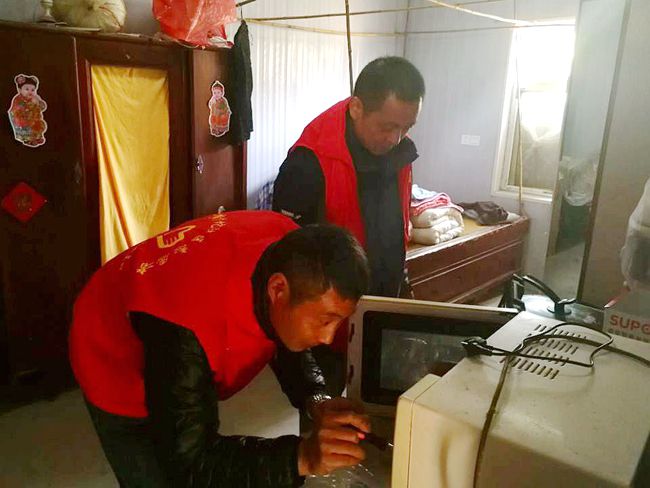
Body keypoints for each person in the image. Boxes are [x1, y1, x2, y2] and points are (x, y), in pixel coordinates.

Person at [69, 210, 371, 487]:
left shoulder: (294, 249)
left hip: (166, 301)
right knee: (155, 474)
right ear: (277, 289)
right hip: (107, 343)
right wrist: (302, 457)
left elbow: (285, 329)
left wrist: (315, 398)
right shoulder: (186, 325)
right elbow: (190, 463)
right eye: (325, 320)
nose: (328, 338)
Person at [272, 56, 425, 393]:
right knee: (325, 406)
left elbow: (393, 225)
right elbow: (287, 265)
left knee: (375, 398)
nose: (396, 138)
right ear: (356, 108)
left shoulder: (398, 152)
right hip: (328, 324)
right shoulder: (308, 163)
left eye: (407, 127)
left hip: (382, 302)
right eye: (387, 127)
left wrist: (402, 283)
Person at [8, 74, 48, 147]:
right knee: (28, 129)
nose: (30, 91)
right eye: (27, 89)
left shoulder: (35, 98)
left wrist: (39, 102)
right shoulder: (18, 99)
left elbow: (43, 108)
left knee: (38, 126)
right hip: (22, 120)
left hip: (34, 119)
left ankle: (37, 137)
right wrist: (29, 106)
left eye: (33, 90)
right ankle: (28, 140)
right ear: (19, 90)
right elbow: (17, 110)